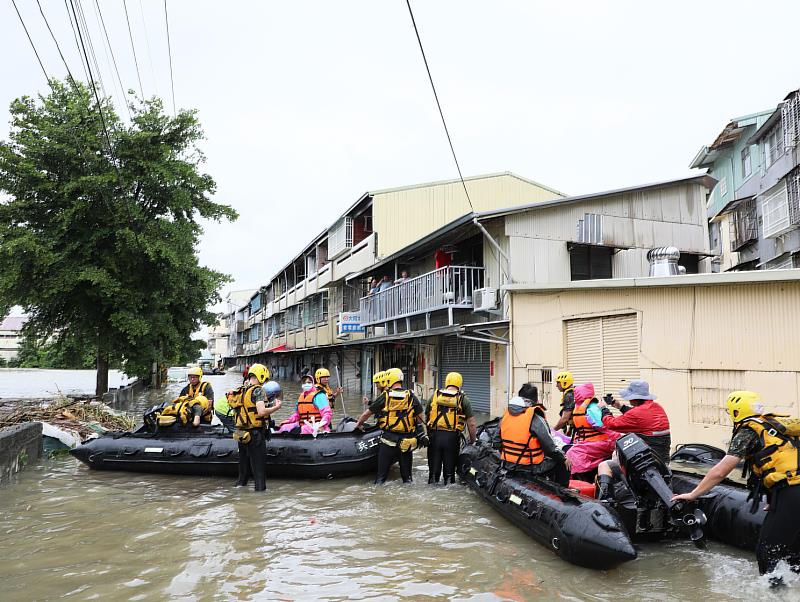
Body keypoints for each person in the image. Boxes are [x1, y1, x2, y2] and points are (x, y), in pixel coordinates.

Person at [673, 391, 800, 586]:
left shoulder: (748, 432)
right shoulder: (778, 428)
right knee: (792, 550)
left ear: (735, 412)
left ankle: (776, 595)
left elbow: (720, 471)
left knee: (768, 551)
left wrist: (693, 494)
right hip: (789, 493)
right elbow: (786, 466)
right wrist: (776, 501)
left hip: (792, 494)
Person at [594, 379, 670, 501]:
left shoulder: (636, 414)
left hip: (643, 466)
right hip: (662, 462)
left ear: (635, 398)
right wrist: (619, 406)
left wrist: (603, 409)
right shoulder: (657, 408)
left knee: (604, 465)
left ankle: (605, 501)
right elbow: (638, 416)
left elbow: (611, 423)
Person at [354, 367, 428, 484]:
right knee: (407, 480)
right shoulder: (411, 396)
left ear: (389, 380)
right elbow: (420, 418)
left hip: (388, 441)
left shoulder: (385, 396)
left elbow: (367, 413)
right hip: (406, 443)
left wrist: (359, 424)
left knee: (381, 478)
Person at [492, 392, 571, 486]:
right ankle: (561, 492)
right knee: (564, 462)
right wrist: (563, 458)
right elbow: (550, 448)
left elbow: (496, 442)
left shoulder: (504, 418)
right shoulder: (535, 418)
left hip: (508, 465)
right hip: (530, 467)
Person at [226, 363, 282, 491]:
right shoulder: (258, 390)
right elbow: (261, 412)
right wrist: (276, 408)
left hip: (241, 434)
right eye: (265, 379)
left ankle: (239, 494)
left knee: (243, 473)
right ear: (261, 376)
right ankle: (260, 501)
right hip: (255, 435)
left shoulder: (242, 389)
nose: (265, 383)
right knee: (259, 473)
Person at [425, 372, 477, 484]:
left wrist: (428, 434)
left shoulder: (434, 396)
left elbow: (427, 416)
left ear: (447, 382)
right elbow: (471, 423)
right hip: (452, 439)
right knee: (449, 475)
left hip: (434, 437)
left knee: (433, 475)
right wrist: (473, 440)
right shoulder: (463, 399)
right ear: (460, 384)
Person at [565, 383, 619, 481]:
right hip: (589, 442)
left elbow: (605, 428)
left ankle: (582, 480)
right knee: (569, 451)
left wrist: (619, 437)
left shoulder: (592, 408)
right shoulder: (582, 407)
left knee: (573, 454)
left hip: (602, 442)